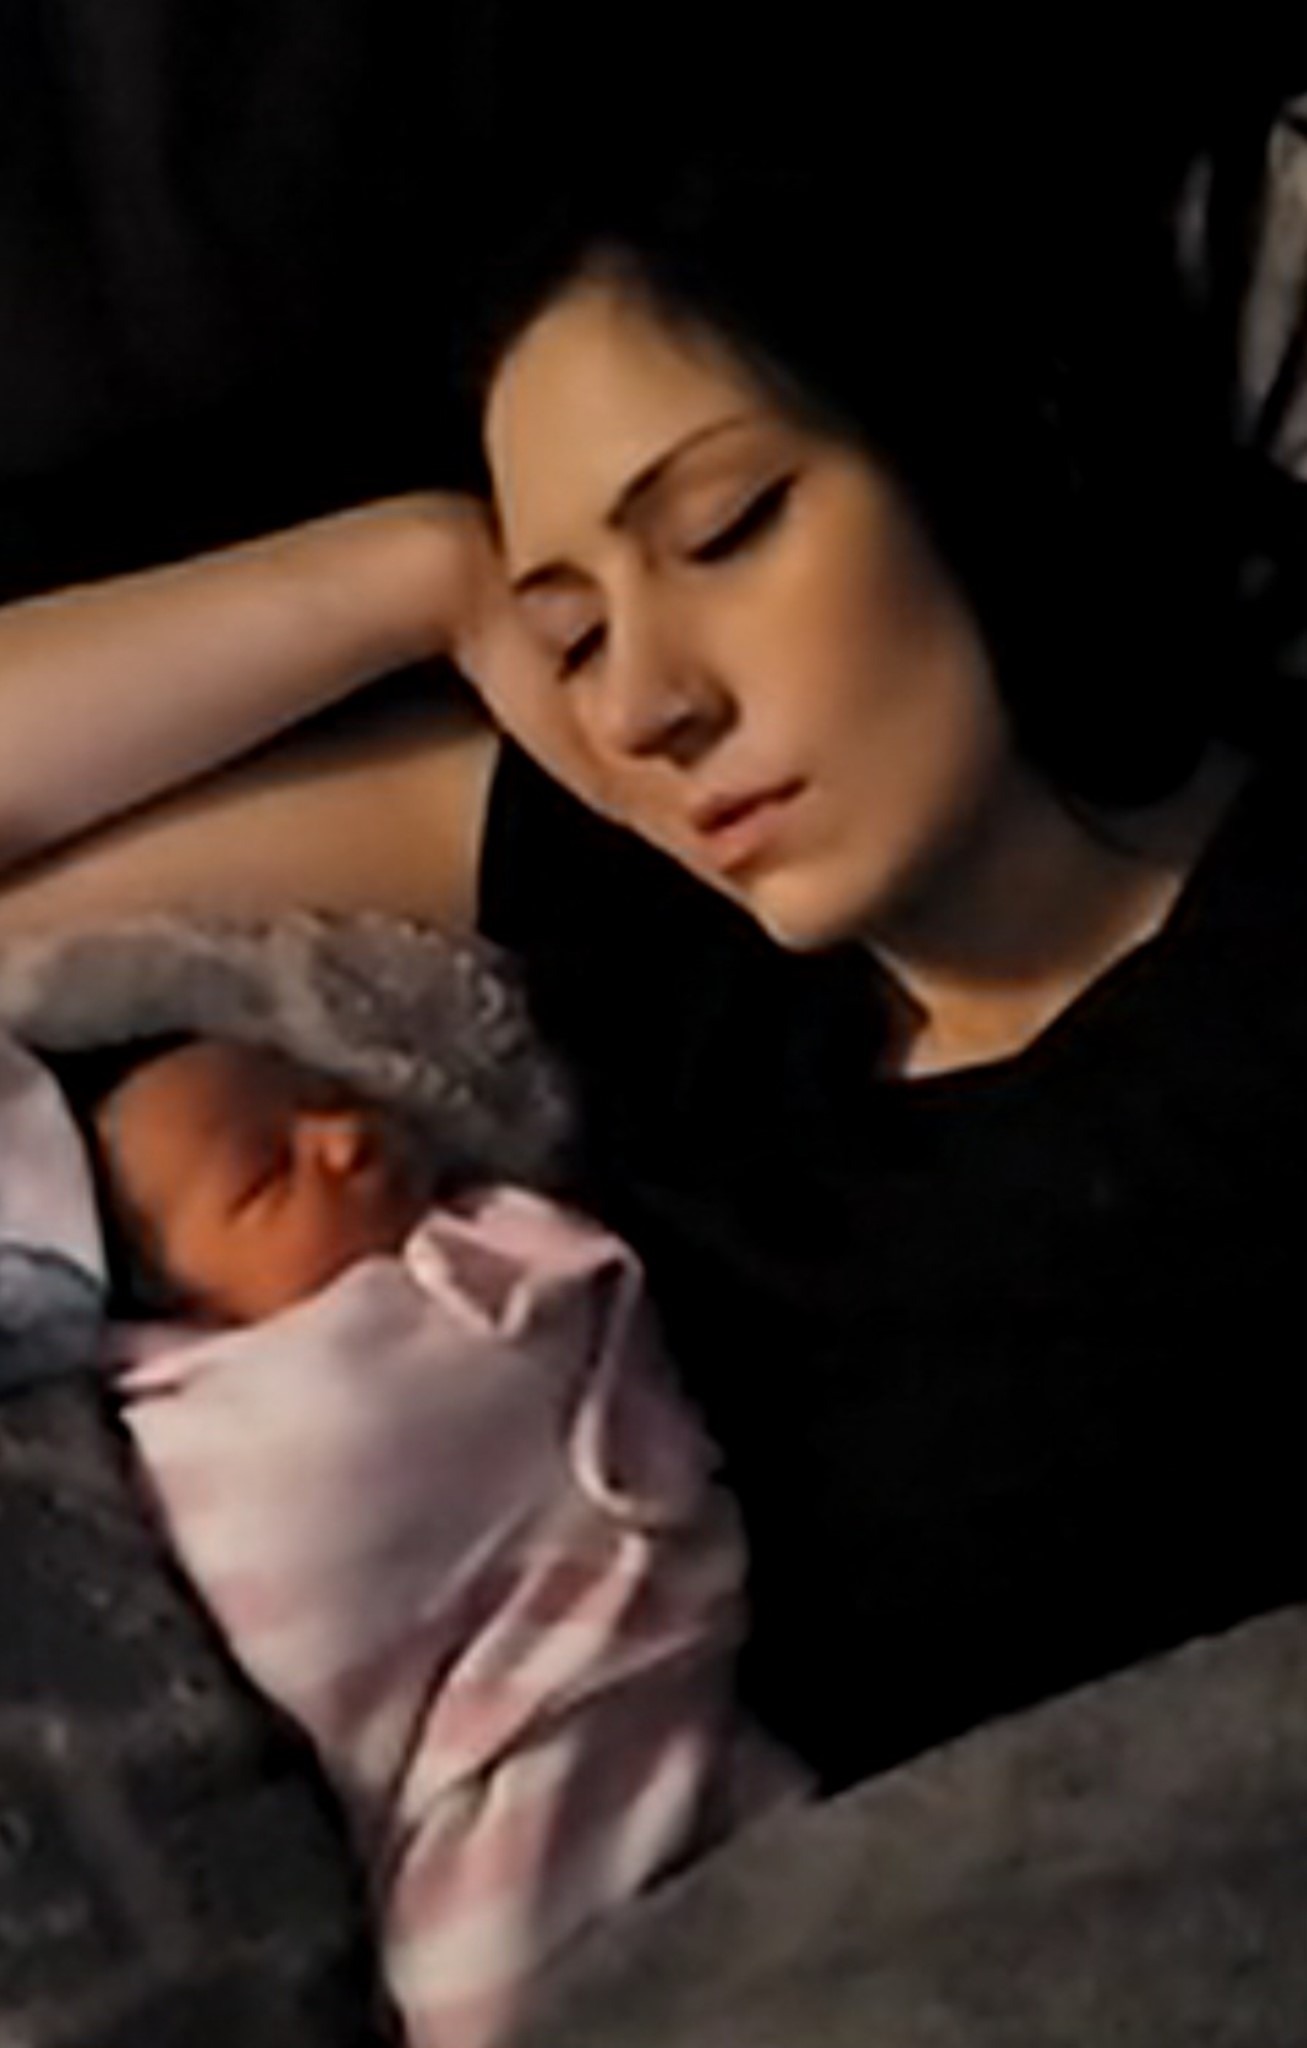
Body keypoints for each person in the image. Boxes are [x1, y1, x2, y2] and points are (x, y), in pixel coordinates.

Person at [0, 125, 1301, 1797]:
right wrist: (417, 575)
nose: (644, 703)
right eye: (574, 630)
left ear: (961, 435)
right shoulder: (673, 923)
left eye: (723, 527)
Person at [49, 1031, 772, 2048]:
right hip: (443, 1849)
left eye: (321, 1095)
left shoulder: (488, 1273)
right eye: (267, 1173)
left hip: (601, 1723)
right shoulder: (189, 1414)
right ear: (181, 1311)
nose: (343, 1136)